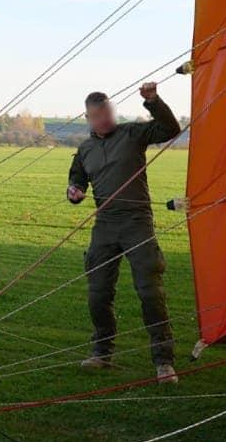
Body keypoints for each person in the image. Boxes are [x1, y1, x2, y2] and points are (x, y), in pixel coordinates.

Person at [67, 82, 181, 379]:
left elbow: (170, 129)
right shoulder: (85, 149)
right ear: (88, 118)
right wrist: (74, 191)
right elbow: (76, 180)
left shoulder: (132, 133)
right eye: (98, 115)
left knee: (150, 291)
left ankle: (164, 361)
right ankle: (101, 353)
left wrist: (153, 101)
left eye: (108, 113)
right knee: (98, 293)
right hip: (105, 225)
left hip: (136, 222)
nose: (105, 119)